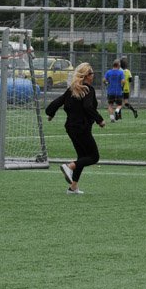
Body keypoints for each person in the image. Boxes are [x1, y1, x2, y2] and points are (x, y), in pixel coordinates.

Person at [45, 62, 105, 195]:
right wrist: (100, 120)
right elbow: (88, 107)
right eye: (91, 73)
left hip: (71, 128)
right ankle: (69, 166)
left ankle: (73, 188)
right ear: (86, 76)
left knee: (82, 157)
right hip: (82, 128)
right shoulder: (88, 89)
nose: (93, 75)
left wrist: (50, 113)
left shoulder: (72, 89)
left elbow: (58, 101)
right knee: (94, 157)